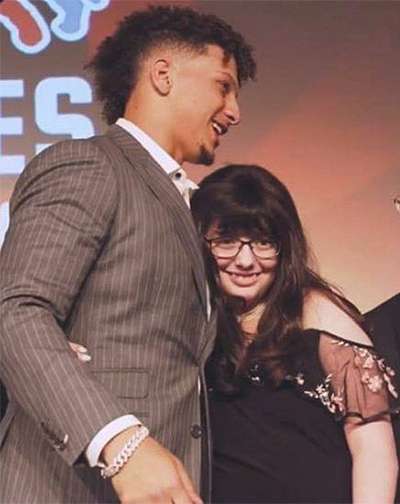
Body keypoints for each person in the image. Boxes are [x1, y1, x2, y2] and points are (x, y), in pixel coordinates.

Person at [0, 6, 256, 503]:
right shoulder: (91, 165)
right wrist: (121, 445)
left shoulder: (187, 203)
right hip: (66, 487)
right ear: (162, 74)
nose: (234, 111)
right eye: (224, 86)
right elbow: (15, 312)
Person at [190, 164, 399, 503]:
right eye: (226, 241)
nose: (245, 260)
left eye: (262, 242)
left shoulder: (320, 316)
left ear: (285, 246)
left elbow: (373, 450)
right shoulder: (193, 320)